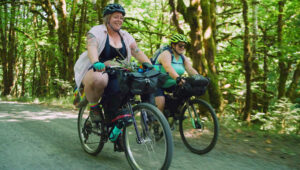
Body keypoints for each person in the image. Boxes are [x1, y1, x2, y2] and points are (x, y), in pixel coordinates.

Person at [74, 4, 152, 124]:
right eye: (116, 17)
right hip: (96, 69)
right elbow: (92, 46)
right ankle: (94, 108)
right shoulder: (96, 31)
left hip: (118, 71)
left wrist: (149, 65)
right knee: (100, 79)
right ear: (108, 18)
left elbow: (136, 51)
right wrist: (96, 62)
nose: (119, 20)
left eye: (121, 18)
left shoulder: (125, 35)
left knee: (139, 83)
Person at [153, 34, 199, 112]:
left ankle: (176, 114)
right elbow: (168, 67)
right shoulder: (166, 54)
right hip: (158, 83)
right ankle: (157, 122)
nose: (183, 48)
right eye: (180, 45)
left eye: (184, 46)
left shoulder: (182, 57)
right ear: (173, 45)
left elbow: (190, 69)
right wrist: (178, 78)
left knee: (184, 93)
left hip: (172, 83)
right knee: (161, 104)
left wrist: (198, 77)